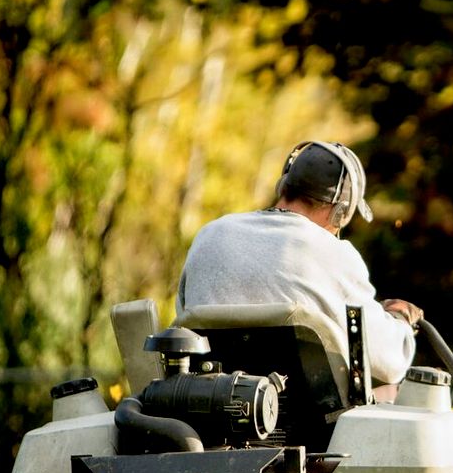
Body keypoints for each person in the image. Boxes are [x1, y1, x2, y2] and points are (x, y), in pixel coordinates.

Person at [175, 140, 421, 393]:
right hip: (308, 415)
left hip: (207, 403)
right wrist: (400, 321)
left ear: (283, 185)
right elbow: (390, 363)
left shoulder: (210, 234)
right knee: (391, 393)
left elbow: (184, 320)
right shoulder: (336, 254)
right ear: (341, 212)